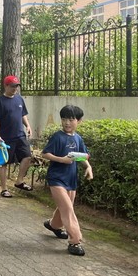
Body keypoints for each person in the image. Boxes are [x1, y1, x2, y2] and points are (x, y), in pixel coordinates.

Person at [41, 105, 93, 257]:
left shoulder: (78, 138)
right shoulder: (57, 137)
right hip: (56, 179)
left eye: (71, 120)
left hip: (71, 179)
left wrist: (88, 167)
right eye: (64, 119)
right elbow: (45, 154)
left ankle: (53, 225)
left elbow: (82, 156)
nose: (67, 123)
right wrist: (61, 160)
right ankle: (75, 241)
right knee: (68, 209)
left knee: (64, 207)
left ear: (79, 121)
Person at [0, 75, 33, 197]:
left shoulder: (19, 99)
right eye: (12, 86)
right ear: (6, 86)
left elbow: (23, 114)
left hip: (20, 135)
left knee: (27, 157)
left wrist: (28, 126)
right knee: (4, 163)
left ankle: (19, 181)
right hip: (5, 138)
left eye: (16, 86)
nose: (15, 88)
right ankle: (4, 189)